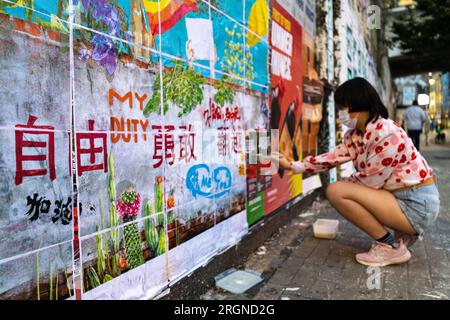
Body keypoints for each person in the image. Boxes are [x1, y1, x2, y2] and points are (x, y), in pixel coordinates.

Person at [272, 77, 440, 267]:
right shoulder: (357, 135)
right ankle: (402, 235)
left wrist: (345, 186)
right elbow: (332, 157)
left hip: (417, 205)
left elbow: (370, 182)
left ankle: (389, 247)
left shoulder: (386, 133)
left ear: (359, 105)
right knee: (343, 188)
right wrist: (293, 165)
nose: (340, 113)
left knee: (336, 191)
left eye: (343, 107)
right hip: (404, 197)